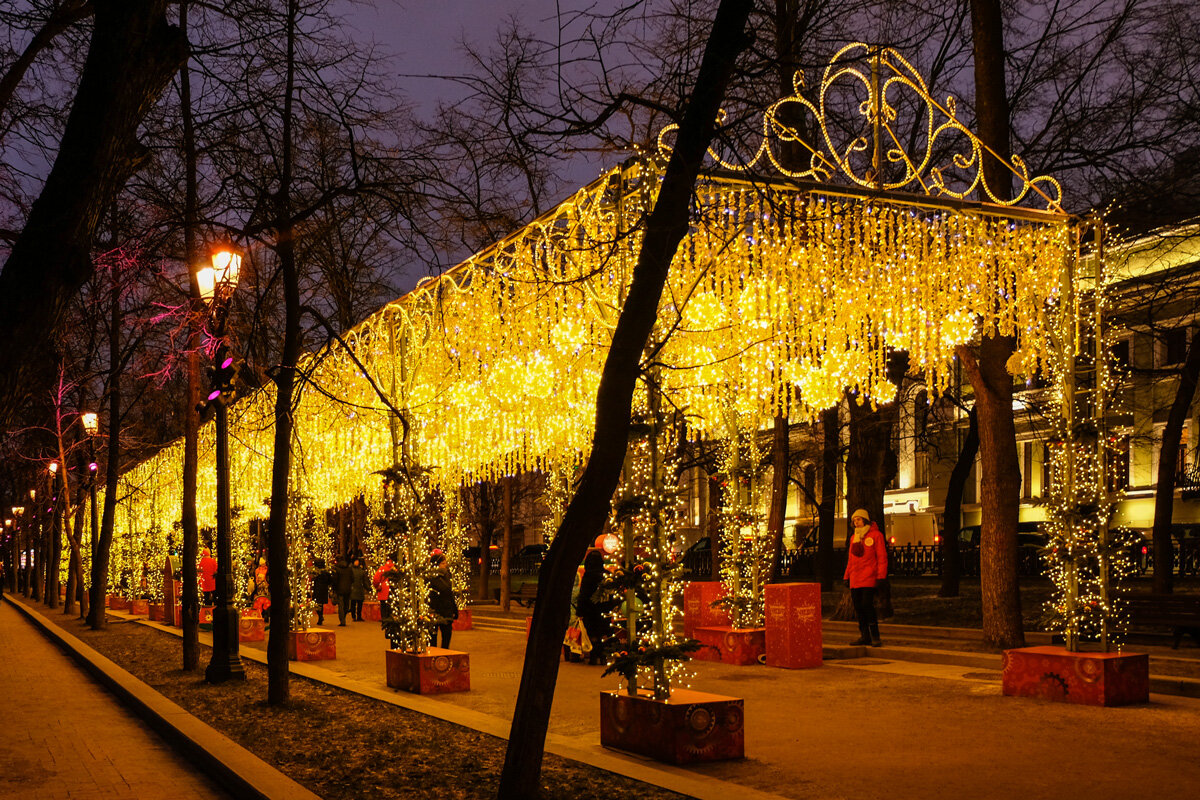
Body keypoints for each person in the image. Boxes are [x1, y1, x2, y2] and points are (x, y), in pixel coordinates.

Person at [844, 508, 888, 647]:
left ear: (865, 520)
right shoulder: (853, 538)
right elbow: (851, 559)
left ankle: (875, 636)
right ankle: (864, 635)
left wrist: (881, 576)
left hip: (869, 576)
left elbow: (882, 557)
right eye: (854, 520)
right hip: (855, 577)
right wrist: (847, 576)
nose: (856, 522)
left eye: (858, 519)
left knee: (867, 605)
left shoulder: (876, 536)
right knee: (858, 607)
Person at [576, 547, 618, 665]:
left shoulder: (588, 576)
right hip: (606, 609)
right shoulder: (607, 575)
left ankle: (594, 656)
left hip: (591, 610)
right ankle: (603, 655)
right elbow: (613, 593)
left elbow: (584, 594)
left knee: (593, 633)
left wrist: (580, 611)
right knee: (604, 632)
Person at [427, 551, 459, 649]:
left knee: (446, 637)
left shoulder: (447, 575)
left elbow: (450, 593)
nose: (445, 565)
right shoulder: (430, 577)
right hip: (435, 610)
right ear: (436, 564)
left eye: (446, 563)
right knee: (432, 639)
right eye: (443, 563)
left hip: (447, 611)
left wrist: (454, 609)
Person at [373, 554, 396, 619]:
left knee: (383, 605)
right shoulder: (395, 570)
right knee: (391, 606)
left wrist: (376, 586)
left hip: (383, 590)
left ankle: (384, 619)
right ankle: (390, 618)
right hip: (392, 590)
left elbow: (376, 579)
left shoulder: (382, 568)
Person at [333, 555, 354, 626]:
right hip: (348, 589)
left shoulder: (336, 569)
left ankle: (342, 620)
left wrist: (334, 589)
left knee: (341, 605)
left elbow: (335, 580)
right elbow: (352, 578)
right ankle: (344, 616)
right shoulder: (349, 568)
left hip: (339, 589)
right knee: (346, 605)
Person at [311, 557, 333, 626]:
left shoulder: (315, 572)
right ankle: (320, 616)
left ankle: (320, 616)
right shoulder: (326, 572)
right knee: (321, 604)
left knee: (317, 604)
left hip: (317, 589)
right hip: (324, 589)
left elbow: (313, 580)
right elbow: (330, 581)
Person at [349, 557, 369, 621]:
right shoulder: (350, 570)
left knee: (360, 604)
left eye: (357, 561)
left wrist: (368, 587)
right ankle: (353, 616)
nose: (357, 562)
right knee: (353, 604)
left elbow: (364, 580)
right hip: (353, 588)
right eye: (356, 561)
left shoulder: (361, 571)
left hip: (360, 589)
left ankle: (359, 616)